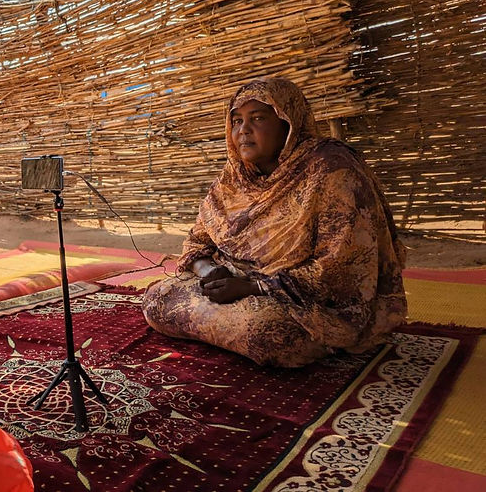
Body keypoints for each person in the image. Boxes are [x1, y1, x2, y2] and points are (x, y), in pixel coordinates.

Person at [142, 77, 407, 367]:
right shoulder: (234, 176)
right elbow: (197, 241)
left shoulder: (332, 170)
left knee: (268, 334)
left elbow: (340, 270)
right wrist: (210, 272)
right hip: (232, 285)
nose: (243, 130)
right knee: (156, 300)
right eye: (237, 121)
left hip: (298, 298)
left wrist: (252, 287)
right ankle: (226, 324)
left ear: (287, 123)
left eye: (257, 118)